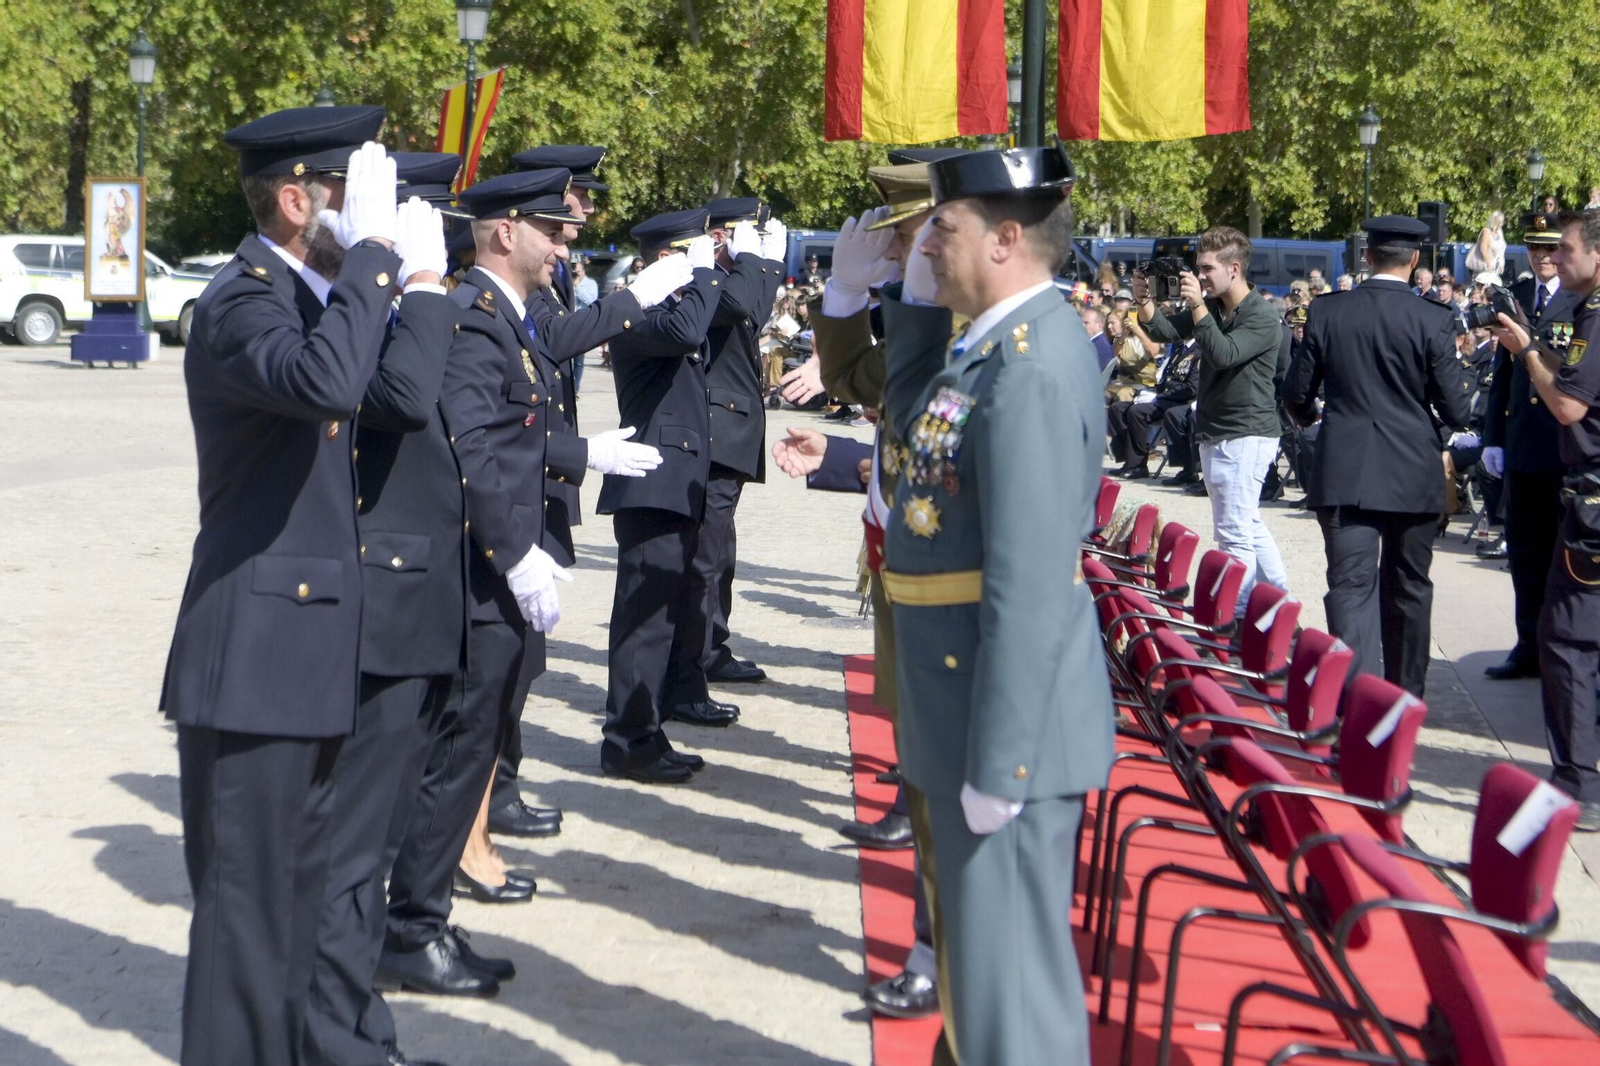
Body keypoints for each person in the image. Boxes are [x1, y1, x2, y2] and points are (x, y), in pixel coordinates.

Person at [161, 106, 402, 1066]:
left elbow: (395, 390)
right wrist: (375, 258)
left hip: (302, 658)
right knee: (245, 936)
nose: (367, 211)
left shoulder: (311, 298)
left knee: (295, 917)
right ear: (298, 201)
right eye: (350, 191)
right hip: (254, 665)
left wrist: (400, 277)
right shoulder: (240, 303)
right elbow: (327, 385)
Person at [880, 145, 1113, 1066]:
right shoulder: (991, 348)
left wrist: (1002, 763)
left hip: (998, 722)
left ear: (1006, 238)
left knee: (1011, 1007)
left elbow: (1028, 579)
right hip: (961, 702)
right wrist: (909, 309)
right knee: (979, 993)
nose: (928, 246)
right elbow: (925, 451)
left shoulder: (1029, 365)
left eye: (942, 229)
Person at [301, 153, 487, 1066]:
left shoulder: (389, 306)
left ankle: (358, 1024)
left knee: (371, 844)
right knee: (350, 851)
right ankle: (337, 1039)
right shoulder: (355, 311)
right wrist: (409, 282)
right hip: (380, 604)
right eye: (418, 216)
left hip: (419, 603)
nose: (436, 236)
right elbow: (408, 399)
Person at [1286, 215, 1473, 696]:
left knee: (1351, 588)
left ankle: (1361, 702)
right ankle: (1403, 698)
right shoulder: (1433, 317)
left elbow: (1297, 392)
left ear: (1367, 256)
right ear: (1415, 260)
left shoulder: (1328, 311)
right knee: (1408, 586)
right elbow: (1457, 409)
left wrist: (1310, 416)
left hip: (1345, 466)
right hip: (1412, 469)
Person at [598, 208, 745, 782]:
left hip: (672, 480)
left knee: (662, 616)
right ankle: (626, 741)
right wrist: (705, 274)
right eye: (694, 250)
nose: (707, 260)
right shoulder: (638, 309)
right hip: (649, 481)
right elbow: (686, 333)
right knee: (644, 621)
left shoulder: (671, 304)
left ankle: (647, 729)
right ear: (667, 258)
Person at [1488, 208, 1600, 831]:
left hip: (1591, 500)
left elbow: (1566, 405)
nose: (1556, 257)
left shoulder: (1595, 314)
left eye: (1568, 249)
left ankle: (1579, 785)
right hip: (1565, 482)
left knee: (1568, 637)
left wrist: (1528, 348)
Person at [1136, 226, 1290, 614]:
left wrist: (1198, 306)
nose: (1200, 276)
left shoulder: (1262, 315)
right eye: (1199, 268)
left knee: (1233, 532)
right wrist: (1144, 300)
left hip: (1246, 433)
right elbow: (1165, 331)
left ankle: (1238, 618)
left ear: (1234, 268)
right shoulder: (1216, 307)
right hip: (1219, 430)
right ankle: (1277, 606)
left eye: (1207, 269)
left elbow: (1224, 354)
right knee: (1247, 524)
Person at [1480, 210, 1582, 678]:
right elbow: (1502, 376)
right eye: (1535, 248)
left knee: (1567, 556)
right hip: (1522, 440)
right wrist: (1493, 439)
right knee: (1525, 551)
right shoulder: (1516, 296)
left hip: (1564, 443)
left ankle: (1563, 647)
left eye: (1550, 248)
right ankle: (1527, 646)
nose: (1542, 256)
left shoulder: (1582, 300)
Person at [694, 199, 788, 687]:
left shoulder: (734, 280)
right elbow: (738, 306)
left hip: (730, 435)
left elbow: (753, 309)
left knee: (720, 554)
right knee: (706, 556)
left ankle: (711, 645)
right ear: (718, 236)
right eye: (748, 234)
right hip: (715, 433)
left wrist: (766, 265)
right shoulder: (703, 278)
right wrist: (758, 261)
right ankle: (696, 655)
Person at [1467, 210, 1507, 278]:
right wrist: (1489, 264)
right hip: (1485, 268)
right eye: (1499, 223)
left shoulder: (1500, 232)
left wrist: (1502, 264)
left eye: (1502, 222)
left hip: (1496, 268)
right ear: (1494, 222)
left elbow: (1502, 249)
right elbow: (1483, 249)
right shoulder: (1486, 232)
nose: (1501, 225)